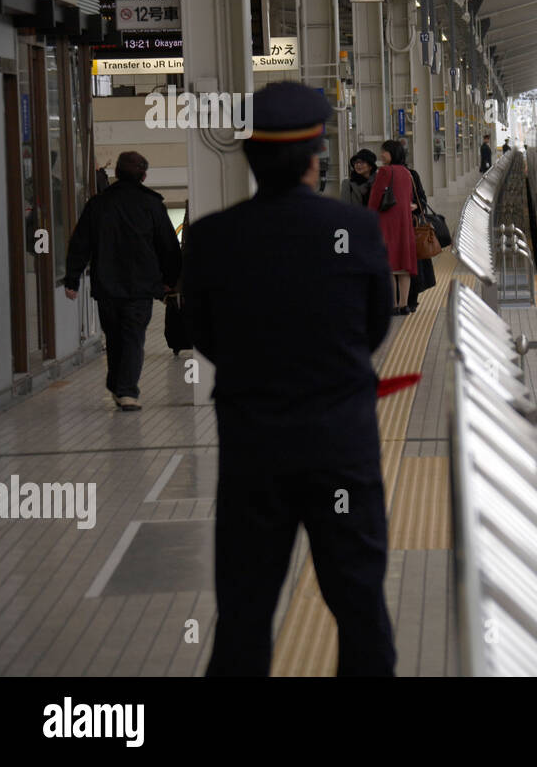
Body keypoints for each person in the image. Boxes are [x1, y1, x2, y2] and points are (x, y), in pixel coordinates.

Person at [183, 80, 395, 677]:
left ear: (249, 157)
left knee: (245, 614)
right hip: (342, 455)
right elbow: (375, 328)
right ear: (315, 157)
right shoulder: (355, 231)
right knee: (360, 609)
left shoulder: (211, 238)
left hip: (254, 456)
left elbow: (203, 334)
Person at [63, 151, 181, 411]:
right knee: (132, 337)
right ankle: (125, 390)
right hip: (141, 286)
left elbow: (80, 243)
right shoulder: (152, 205)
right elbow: (169, 247)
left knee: (115, 336)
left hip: (107, 285)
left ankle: (119, 385)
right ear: (144, 175)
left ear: (116, 173)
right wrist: (170, 280)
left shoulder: (98, 205)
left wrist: (72, 279)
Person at [368, 139, 418, 315]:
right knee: (404, 265)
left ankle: (393, 304)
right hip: (404, 222)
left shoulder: (384, 171)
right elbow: (409, 197)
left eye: (385, 152)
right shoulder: (406, 172)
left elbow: (375, 198)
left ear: (393, 153)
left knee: (388, 264)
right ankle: (404, 305)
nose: (381, 155)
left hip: (387, 221)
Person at [404, 157, 437, 314]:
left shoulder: (411, 175)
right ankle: (401, 300)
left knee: (415, 263)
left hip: (413, 226)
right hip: (393, 228)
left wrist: (416, 206)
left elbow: (422, 199)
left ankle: (411, 298)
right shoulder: (383, 175)